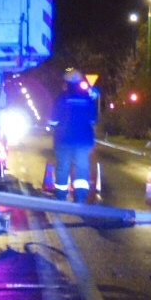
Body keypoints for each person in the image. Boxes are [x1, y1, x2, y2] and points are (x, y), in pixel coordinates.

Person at [48, 68, 96, 203]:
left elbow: (53, 121)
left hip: (63, 140)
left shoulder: (61, 98)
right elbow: (93, 120)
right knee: (82, 168)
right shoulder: (87, 98)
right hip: (83, 140)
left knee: (63, 167)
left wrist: (53, 124)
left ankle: (61, 198)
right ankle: (80, 198)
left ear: (66, 83)